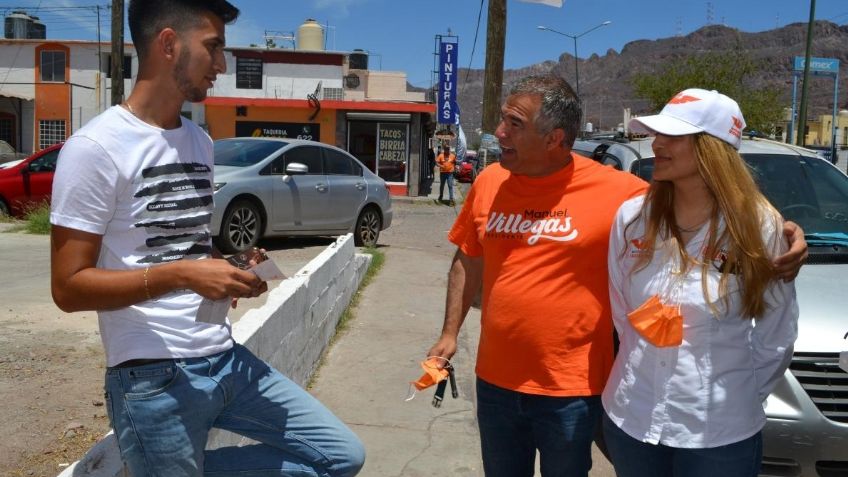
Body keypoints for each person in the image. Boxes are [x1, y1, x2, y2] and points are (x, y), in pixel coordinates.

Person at [425, 75, 807, 477]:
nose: (499, 133)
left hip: (583, 394)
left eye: (514, 124)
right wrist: (450, 333)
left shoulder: (622, 194)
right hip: (516, 387)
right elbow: (470, 258)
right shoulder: (498, 184)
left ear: (555, 137)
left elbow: (772, 328)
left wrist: (785, 232)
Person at [49, 1, 365, 476]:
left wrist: (231, 265)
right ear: (169, 44)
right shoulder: (94, 149)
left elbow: (186, 245)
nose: (222, 64)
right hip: (151, 377)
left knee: (341, 456)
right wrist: (185, 276)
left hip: (224, 357)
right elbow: (68, 288)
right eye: (213, 47)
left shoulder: (198, 140)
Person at [602, 89, 798, 477]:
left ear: (713, 148)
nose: (655, 143)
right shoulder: (632, 217)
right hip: (631, 419)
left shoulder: (760, 227)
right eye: (657, 133)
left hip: (719, 439)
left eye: (673, 136)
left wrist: (737, 397)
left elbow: (776, 336)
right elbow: (622, 312)